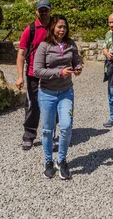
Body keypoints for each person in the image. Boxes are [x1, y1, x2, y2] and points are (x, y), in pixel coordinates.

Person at [34, 14, 83, 180]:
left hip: (66, 92)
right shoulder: (44, 46)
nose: (62, 30)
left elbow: (77, 61)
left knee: (66, 126)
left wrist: (78, 68)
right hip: (47, 93)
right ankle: (48, 161)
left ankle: (61, 160)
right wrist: (59, 72)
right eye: (59, 27)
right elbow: (37, 71)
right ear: (53, 28)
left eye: (64, 27)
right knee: (48, 130)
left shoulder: (71, 44)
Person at [16, 0, 52, 150]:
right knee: (32, 105)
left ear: (50, 10)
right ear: (36, 11)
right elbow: (21, 54)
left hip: (51, 74)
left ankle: (51, 134)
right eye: (40, 10)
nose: (43, 12)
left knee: (53, 105)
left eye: (46, 10)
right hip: (32, 74)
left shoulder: (56, 27)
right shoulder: (30, 30)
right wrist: (19, 76)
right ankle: (29, 135)